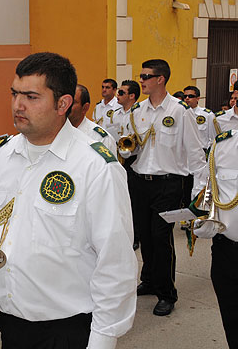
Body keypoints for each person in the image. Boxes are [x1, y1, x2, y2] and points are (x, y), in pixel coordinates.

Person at [0, 52, 137, 349]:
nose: (18, 104)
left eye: (31, 96)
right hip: (11, 326)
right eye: (15, 93)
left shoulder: (94, 165)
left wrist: (101, 347)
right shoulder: (1, 157)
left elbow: (116, 262)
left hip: (67, 334)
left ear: (62, 104)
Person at [120, 59, 207, 316]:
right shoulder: (137, 111)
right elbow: (131, 148)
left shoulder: (180, 111)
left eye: (147, 76)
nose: (142, 80)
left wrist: (197, 193)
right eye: (141, 74)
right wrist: (130, 147)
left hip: (168, 183)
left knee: (161, 237)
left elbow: (195, 154)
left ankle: (167, 292)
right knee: (144, 236)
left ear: (161, 79)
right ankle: (149, 279)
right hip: (140, 180)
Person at [191, 129, 238, 349]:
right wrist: (203, 218)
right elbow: (206, 185)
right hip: (227, 251)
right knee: (232, 320)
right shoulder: (223, 145)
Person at [110, 80, 141, 249]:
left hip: (132, 160)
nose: (117, 95)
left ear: (132, 96)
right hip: (118, 157)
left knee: (133, 201)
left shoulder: (137, 113)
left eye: (121, 93)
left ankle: (136, 235)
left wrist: (128, 150)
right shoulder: (115, 114)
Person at [68, 84, 117, 153]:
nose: (66, 105)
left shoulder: (101, 139)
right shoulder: (54, 132)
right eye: (63, 101)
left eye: (72, 102)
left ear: (85, 108)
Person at [183, 85, 216, 150]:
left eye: (190, 96)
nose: (187, 98)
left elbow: (213, 138)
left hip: (202, 152)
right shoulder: (180, 114)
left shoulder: (207, 115)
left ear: (198, 98)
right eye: (185, 96)